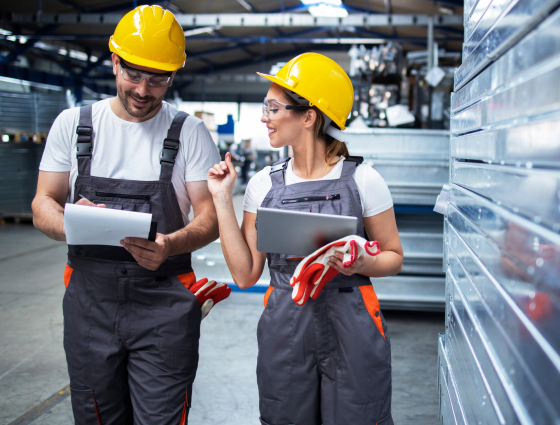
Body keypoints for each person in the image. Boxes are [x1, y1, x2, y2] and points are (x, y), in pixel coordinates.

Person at [32, 5, 223, 424]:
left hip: (164, 305)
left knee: (161, 418)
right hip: (89, 304)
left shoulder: (188, 132)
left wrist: (170, 244)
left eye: (157, 80)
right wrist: (68, 221)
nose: (143, 89)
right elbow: (42, 202)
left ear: (173, 76)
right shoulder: (74, 125)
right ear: (115, 61)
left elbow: (209, 216)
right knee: (96, 414)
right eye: (134, 75)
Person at [208, 52, 404, 425]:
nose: (264, 117)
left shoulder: (364, 180)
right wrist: (221, 199)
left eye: (273, 107)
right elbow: (246, 275)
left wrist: (363, 263)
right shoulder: (263, 184)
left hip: (353, 323)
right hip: (286, 327)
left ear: (308, 116)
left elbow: (394, 256)